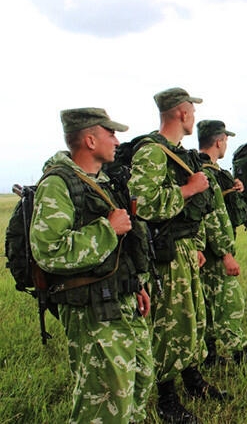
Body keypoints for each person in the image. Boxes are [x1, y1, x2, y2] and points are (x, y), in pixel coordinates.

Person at [30, 108, 154, 424]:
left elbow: (123, 248)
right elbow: (49, 251)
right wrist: (107, 230)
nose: (116, 140)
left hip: (120, 300)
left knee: (138, 382)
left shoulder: (101, 181)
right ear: (89, 139)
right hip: (92, 311)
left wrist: (135, 285)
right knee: (103, 403)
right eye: (109, 133)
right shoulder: (58, 184)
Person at [127, 87, 226, 424]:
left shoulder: (175, 152)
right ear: (182, 113)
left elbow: (191, 211)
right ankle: (167, 399)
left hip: (184, 249)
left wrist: (196, 244)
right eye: (192, 112)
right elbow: (141, 205)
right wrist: (188, 189)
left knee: (192, 318)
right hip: (164, 255)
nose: (194, 118)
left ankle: (193, 380)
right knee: (170, 323)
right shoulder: (152, 153)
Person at [197, 119, 247, 368]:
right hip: (214, 253)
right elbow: (213, 215)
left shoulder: (200, 169)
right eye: (225, 140)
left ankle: (209, 357)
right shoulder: (208, 173)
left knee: (206, 305)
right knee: (229, 305)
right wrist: (225, 254)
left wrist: (233, 189)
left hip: (201, 252)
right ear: (219, 141)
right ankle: (243, 363)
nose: (226, 145)